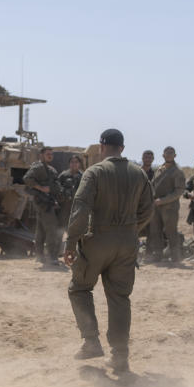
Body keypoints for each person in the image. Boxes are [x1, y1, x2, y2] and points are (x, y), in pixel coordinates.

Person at [63, 129, 154, 373]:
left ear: (102, 147)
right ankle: (120, 356)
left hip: (98, 240)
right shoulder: (139, 173)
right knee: (119, 298)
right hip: (127, 242)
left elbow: (80, 209)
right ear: (122, 148)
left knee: (80, 288)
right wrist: (131, 229)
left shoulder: (95, 172)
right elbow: (148, 209)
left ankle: (91, 341)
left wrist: (71, 242)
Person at [146, 146, 186, 263]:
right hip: (156, 206)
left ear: (175, 156)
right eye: (167, 153)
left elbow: (179, 191)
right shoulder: (159, 169)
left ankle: (175, 256)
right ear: (163, 155)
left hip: (170, 207)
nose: (169, 155)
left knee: (170, 231)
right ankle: (158, 254)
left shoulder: (177, 171)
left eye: (171, 153)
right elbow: (153, 186)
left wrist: (162, 200)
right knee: (155, 230)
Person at [23, 147, 62, 265]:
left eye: (51, 154)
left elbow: (55, 186)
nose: (50, 156)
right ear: (42, 155)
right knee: (52, 229)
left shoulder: (51, 169)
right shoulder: (38, 167)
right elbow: (27, 179)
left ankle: (39, 255)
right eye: (47, 154)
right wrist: (40, 188)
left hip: (48, 202)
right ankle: (51, 257)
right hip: (42, 203)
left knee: (40, 230)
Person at [57, 153, 85, 227]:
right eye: (72, 162)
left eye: (76, 162)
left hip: (77, 205)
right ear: (69, 164)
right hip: (65, 204)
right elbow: (57, 186)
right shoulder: (63, 175)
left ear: (79, 164)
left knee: (76, 224)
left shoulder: (83, 176)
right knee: (62, 224)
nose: (74, 164)